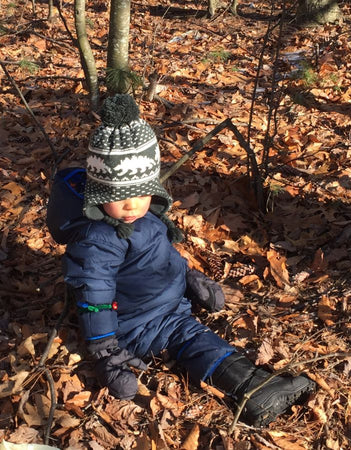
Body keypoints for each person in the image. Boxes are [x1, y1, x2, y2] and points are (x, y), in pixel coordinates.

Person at [47, 94, 315, 427]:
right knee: (191, 339)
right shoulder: (98, 239)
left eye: (141, 194)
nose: (132, 205)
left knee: (191, 333)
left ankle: (254, 385)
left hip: (161, 303)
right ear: (102, 193)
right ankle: (253, 390)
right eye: (120, 196)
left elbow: (160, 257)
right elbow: (93, 296)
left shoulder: (142, 219)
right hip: (139, 321)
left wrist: (190, 278)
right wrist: (105, 353)